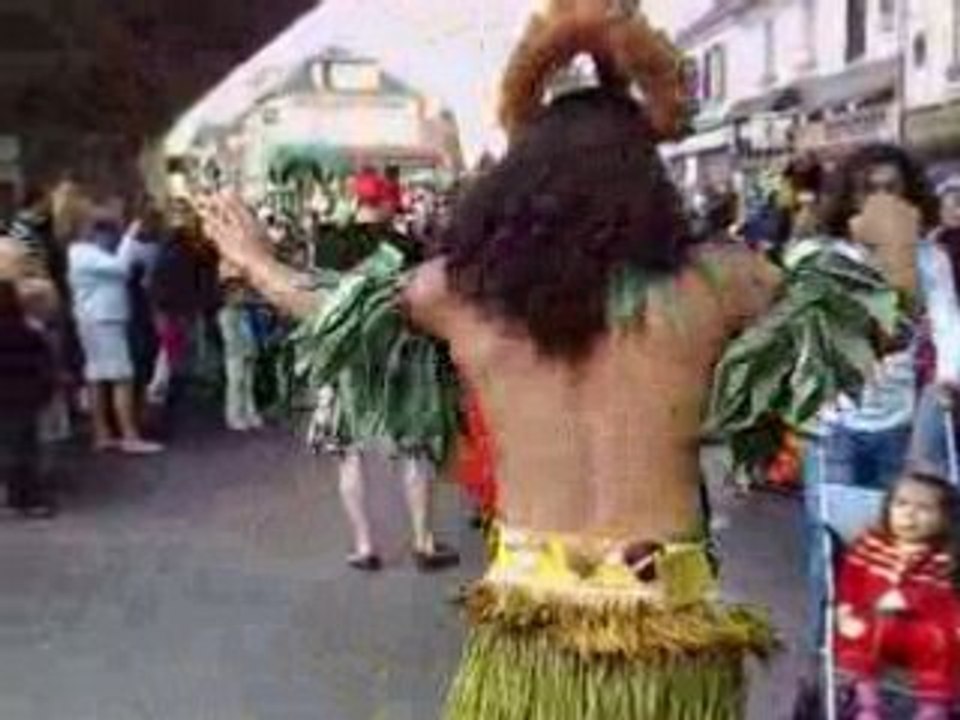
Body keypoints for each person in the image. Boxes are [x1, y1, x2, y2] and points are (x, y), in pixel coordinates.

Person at [198, 6, 782, 717]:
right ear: (646, 178)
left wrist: (258, 262)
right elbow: (864, 309)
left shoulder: (460, 291)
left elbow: (335, 306)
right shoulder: (723, 281)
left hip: (525, 630)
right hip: (669, 630)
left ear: (520, 179)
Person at [835, 471, 960, 720]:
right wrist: (845, 612)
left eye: (924, 509)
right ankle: (867, 704)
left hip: (920, 629)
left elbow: (946, 600)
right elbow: (850, 583)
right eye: (901, 504)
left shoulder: (944, 558)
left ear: (945, 519)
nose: (909, 514)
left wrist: (913, 599)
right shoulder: (871, 544)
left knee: (944, 643)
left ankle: (933, 708)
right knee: (860, 635)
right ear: (888, 507)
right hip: (873, 619)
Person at [67, 191, 163, 455]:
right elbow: (120, 267)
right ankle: (129, 435)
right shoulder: (83, 253)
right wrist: (130, 235)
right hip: (104, 318)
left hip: (94, 318)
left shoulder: (81, 252)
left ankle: (102, 433)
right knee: (122, 376)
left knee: (97, 376)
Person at [0, 281, 58, 518]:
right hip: (25, 396)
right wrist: (45, 392)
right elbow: (45, 365)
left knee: (9, 447)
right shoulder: (30, 332)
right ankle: (28, 498)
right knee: (25, 447)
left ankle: (14, 496)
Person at [217, 262, 262, 432]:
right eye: (239, 294)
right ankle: (234, 416)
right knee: (236, 386)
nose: (243, 297)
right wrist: (244, 350)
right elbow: (230, 337)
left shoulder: (244, 312)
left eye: (244, 293)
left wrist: (253, 349)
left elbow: (250, 333)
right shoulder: (225, 314)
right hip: (235, 355)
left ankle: (250, 414)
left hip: (249, 352)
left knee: (248, 385)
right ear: (229, 296)